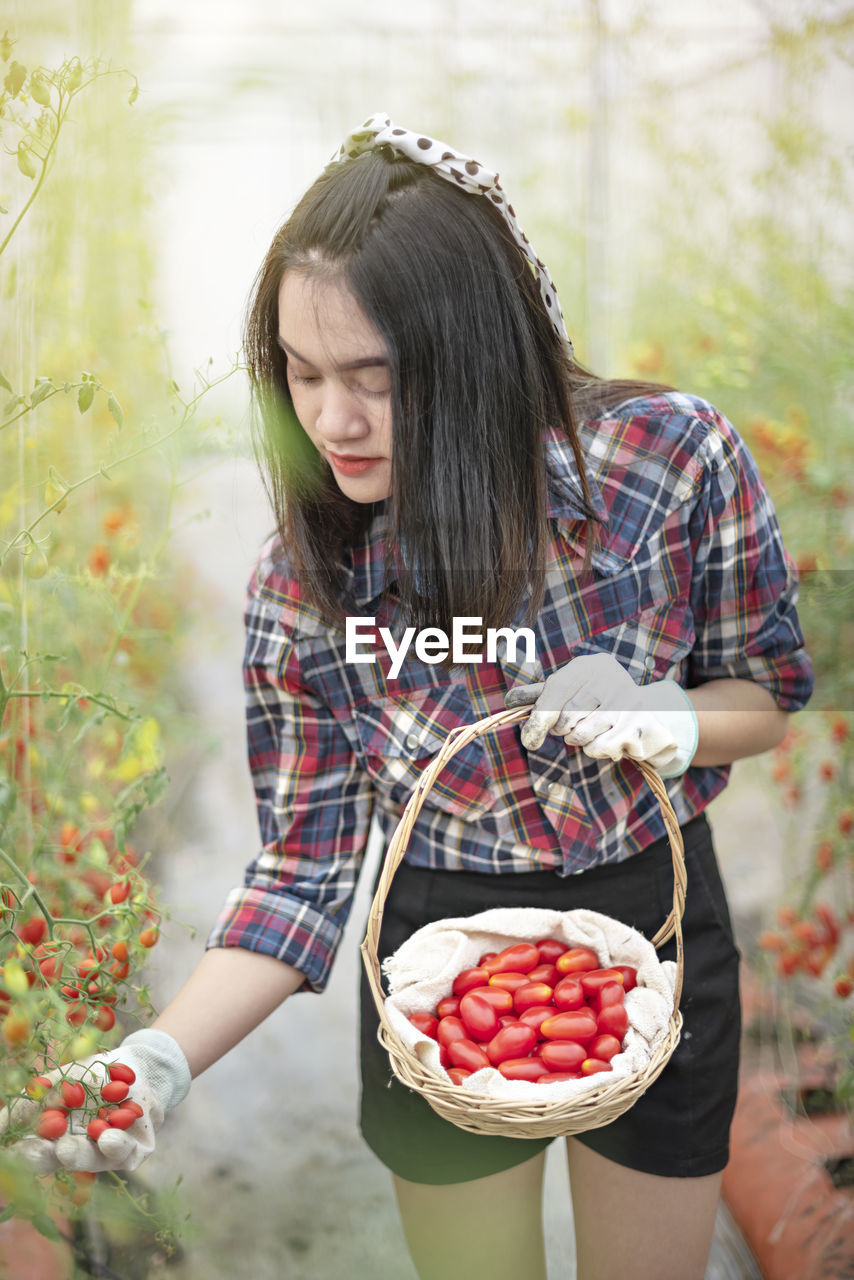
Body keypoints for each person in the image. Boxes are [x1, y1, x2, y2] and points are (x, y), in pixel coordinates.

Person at [7, 114, 813, 1280]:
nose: (330, 420)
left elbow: (765, 692)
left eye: (374, 381)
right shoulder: (307, 582)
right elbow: (302, 871)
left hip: (655, 917)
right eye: (302, 372)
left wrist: (669, 717)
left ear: (474, 352)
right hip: (431, 932)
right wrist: (155, 1057)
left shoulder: (666, 463)